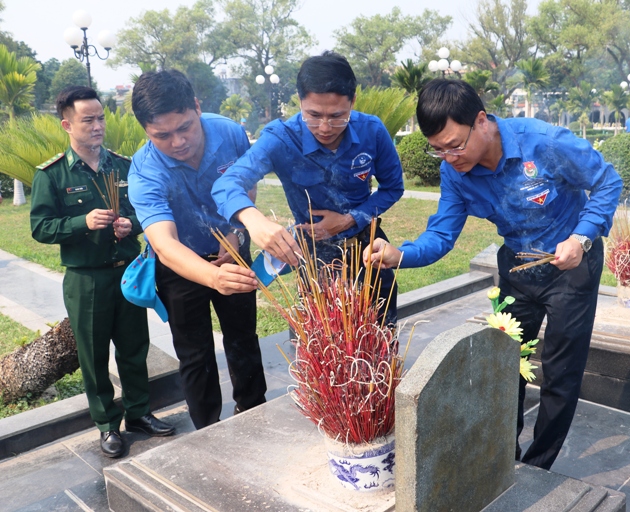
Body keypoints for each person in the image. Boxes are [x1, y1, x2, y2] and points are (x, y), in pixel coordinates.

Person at [365, 79, 622, 470]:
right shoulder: (455, 172)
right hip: (518, 267)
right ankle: (504, 456)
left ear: (481, 121)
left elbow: (607, 181)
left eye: (455, 145)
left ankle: (538, 466)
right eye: (438, 149)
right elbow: (442, 233)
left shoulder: (545, 143)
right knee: (505, 364)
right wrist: (400, 254)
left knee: (560, 371)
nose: (449, 158)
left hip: (571, 265)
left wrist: (581, 237)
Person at [30, 86, 175, 459]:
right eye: (88, 120)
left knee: (134, 348)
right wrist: (82, 221)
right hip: (87, 279)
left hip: (127, 274)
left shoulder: (123, 166)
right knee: (94, 356)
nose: (98, 126)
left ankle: (139, 413)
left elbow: (146, 210)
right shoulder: (52, 174)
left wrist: (132, 224)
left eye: (101, 118)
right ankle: (108, 425)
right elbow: (40, 227)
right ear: (67, 125)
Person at [212, 51, 404, 325]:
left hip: (368, 250)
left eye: (337, 116)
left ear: (352, 101)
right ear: (300, 101)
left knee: (380, 332)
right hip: (315, 259)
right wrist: (254, 220)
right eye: (313, 115)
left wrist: (350, 219)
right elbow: (227, 183)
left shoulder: (372, 131)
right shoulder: (281, 138)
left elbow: (393, 188)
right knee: (325, 339)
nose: (325, 127)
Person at [128, 70, 268, 429]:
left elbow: (247, 187)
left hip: (232, 249)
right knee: (194, 353)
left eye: (185, 128)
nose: (178, 142)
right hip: (181, 265)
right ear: (145, 130)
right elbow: (164, 243)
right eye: (162, 135)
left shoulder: (230, 133)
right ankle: (206, 430)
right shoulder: (144, 171)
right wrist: (213, 277)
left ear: (196, 106)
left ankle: (254, 412)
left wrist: (236, 231)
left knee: (243, 337)